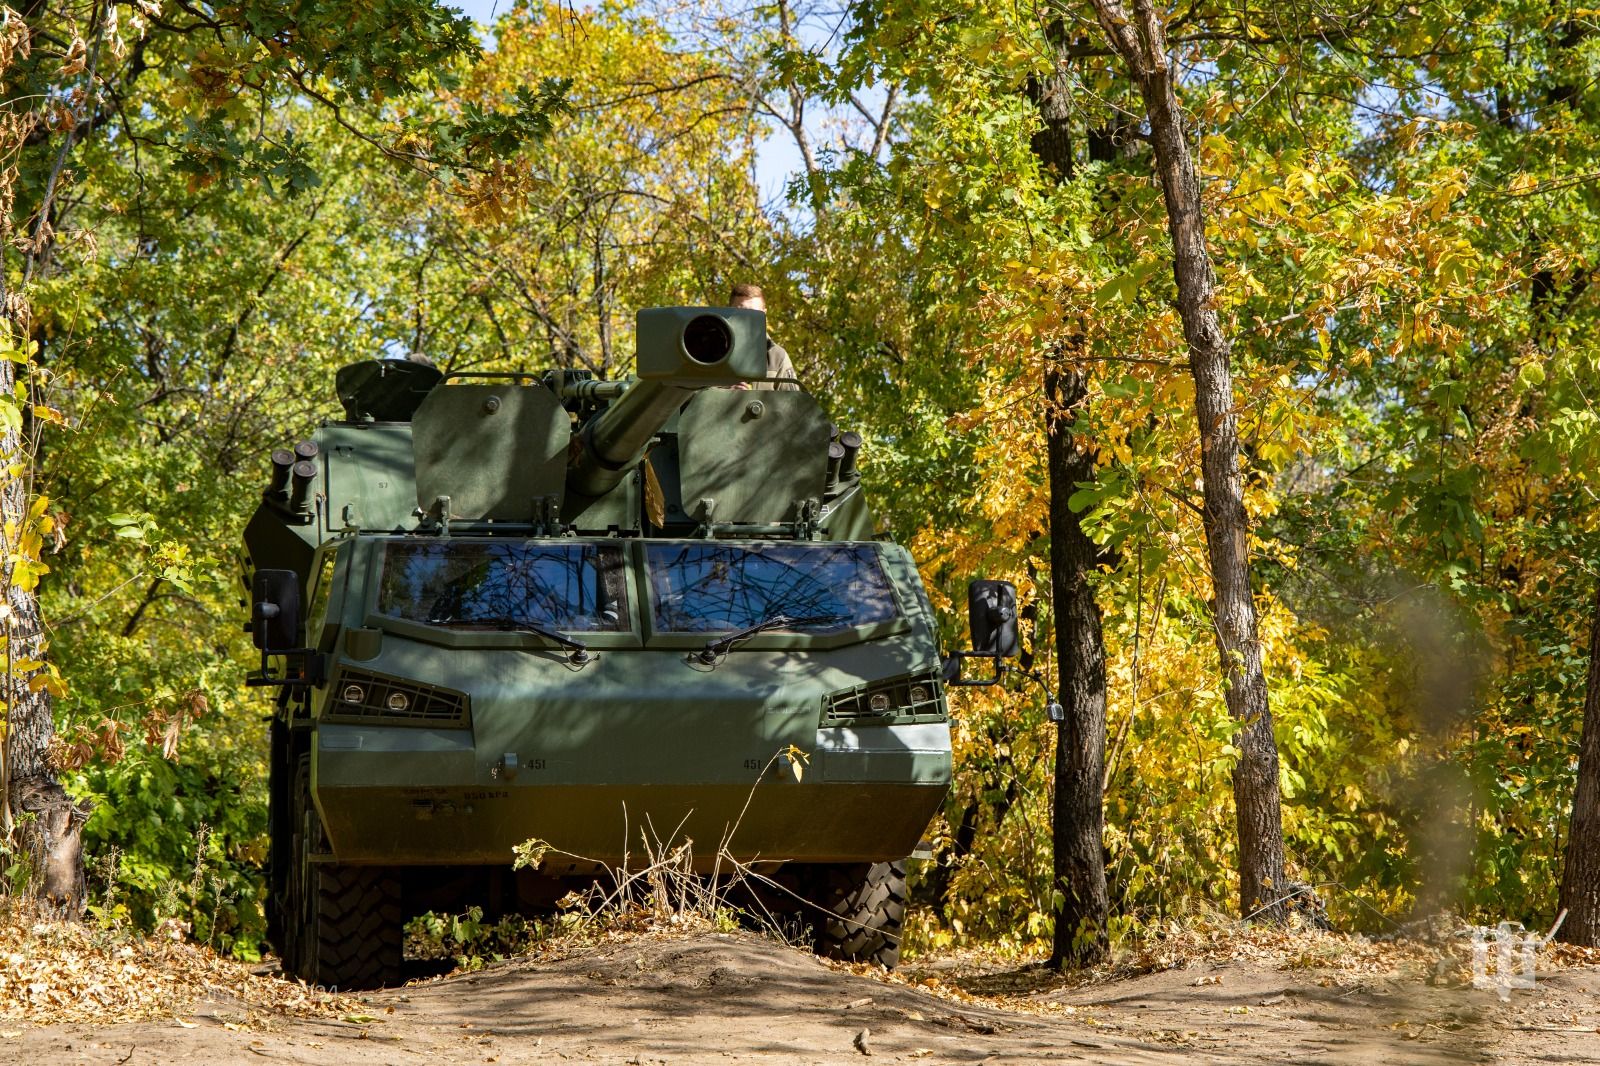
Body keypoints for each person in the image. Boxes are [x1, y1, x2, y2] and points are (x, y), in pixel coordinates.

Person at [727, 283, 800, 391]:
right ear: (729, 312)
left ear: (764, 314)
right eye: (740, 312)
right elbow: (694, 398)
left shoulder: (776, 357)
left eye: (753, 313)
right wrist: (723, 396)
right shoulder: (711, 353)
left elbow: (793, 405)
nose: (747, 318)